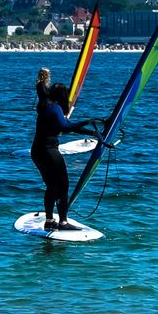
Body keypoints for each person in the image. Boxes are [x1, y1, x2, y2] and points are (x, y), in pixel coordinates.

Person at [33, 82, 100, 231]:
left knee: (51, 186)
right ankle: (63, 222)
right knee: (63, 185)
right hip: (49, 151)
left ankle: (49, 220)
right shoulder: (55, 108)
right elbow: (65, 127)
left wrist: (91, 133)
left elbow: (66, 124)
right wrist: (88, 121)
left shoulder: (45, 105)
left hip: (37, 151)